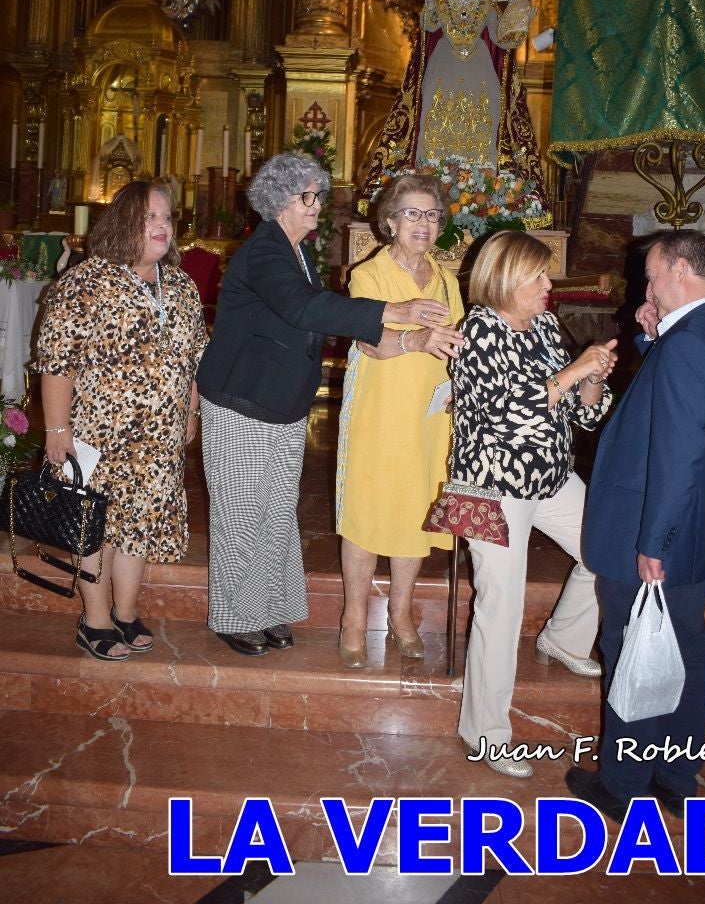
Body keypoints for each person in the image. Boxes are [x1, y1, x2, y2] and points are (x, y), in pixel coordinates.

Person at [196, 153, 453, 657]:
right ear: (278, 202)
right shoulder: (265, 250)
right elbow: (303, 308)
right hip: (241, 397)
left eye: (318, 195)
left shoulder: (294, 250)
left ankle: (268, 609)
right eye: (307, 197)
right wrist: (394, 311)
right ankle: (235, 615)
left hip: (280, 401)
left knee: (274, 511)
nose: (318, 206)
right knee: (240, 512)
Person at [565, 230, 705, 820]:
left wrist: (653, 540)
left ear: (679, 270)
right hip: (699, 527)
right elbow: (684, 399)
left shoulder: (692, 344)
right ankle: (675, 775)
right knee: (686, 650)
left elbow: (678, 450)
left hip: (657, 530)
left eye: (651, 277)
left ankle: (621, 787)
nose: (645, 288)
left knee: (634, 651)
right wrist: (650, 333)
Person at [452, 231, 617, 777]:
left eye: (548, 276)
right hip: (493, 484)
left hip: (549, 476)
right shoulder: (478, 331)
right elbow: (509, 413)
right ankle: (486, 733)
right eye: (539, 277)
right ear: (506, 278)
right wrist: (573, 371)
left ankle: (563, 636)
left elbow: (580, 414)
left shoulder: (544, 325)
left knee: (611, 549)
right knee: (500, 608)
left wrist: (590, 381)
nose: (550, 286)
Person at [36, 181, 207, 661]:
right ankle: (94, 618)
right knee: (96, 526)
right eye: (149, 216)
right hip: (97, 434)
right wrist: (56, 431)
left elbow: (193, 356)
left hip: (158, 438)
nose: (161, 226)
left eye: (167, 218)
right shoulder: (84, 282)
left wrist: (190, 409)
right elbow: (57, 362)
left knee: (139, 523)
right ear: (123, 223)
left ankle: (126, 611)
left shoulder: (179, 284)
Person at [336, 173, 464, 667]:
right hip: (379, 408)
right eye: (412, 213)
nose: (423, 224)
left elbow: (452, 340)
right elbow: (368, 341)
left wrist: (460, 380)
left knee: (416, 508)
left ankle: (403, 614)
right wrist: (416, 338)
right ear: (389, 222)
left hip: (429, 417)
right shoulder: (368, 275)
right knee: (368, 510)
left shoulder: (447, 279)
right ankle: (352, 617)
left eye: (431, 215)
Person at [357, 0, 549, 213]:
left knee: (482, 116)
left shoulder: (485, 2)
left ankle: (478, 189)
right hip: (444, 65)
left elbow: (501, 38)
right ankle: (431, 183)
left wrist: (519, 8)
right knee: (434, 112)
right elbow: (430, 27)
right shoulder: (443, 0)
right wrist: (430, 1)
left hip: (479, 69)